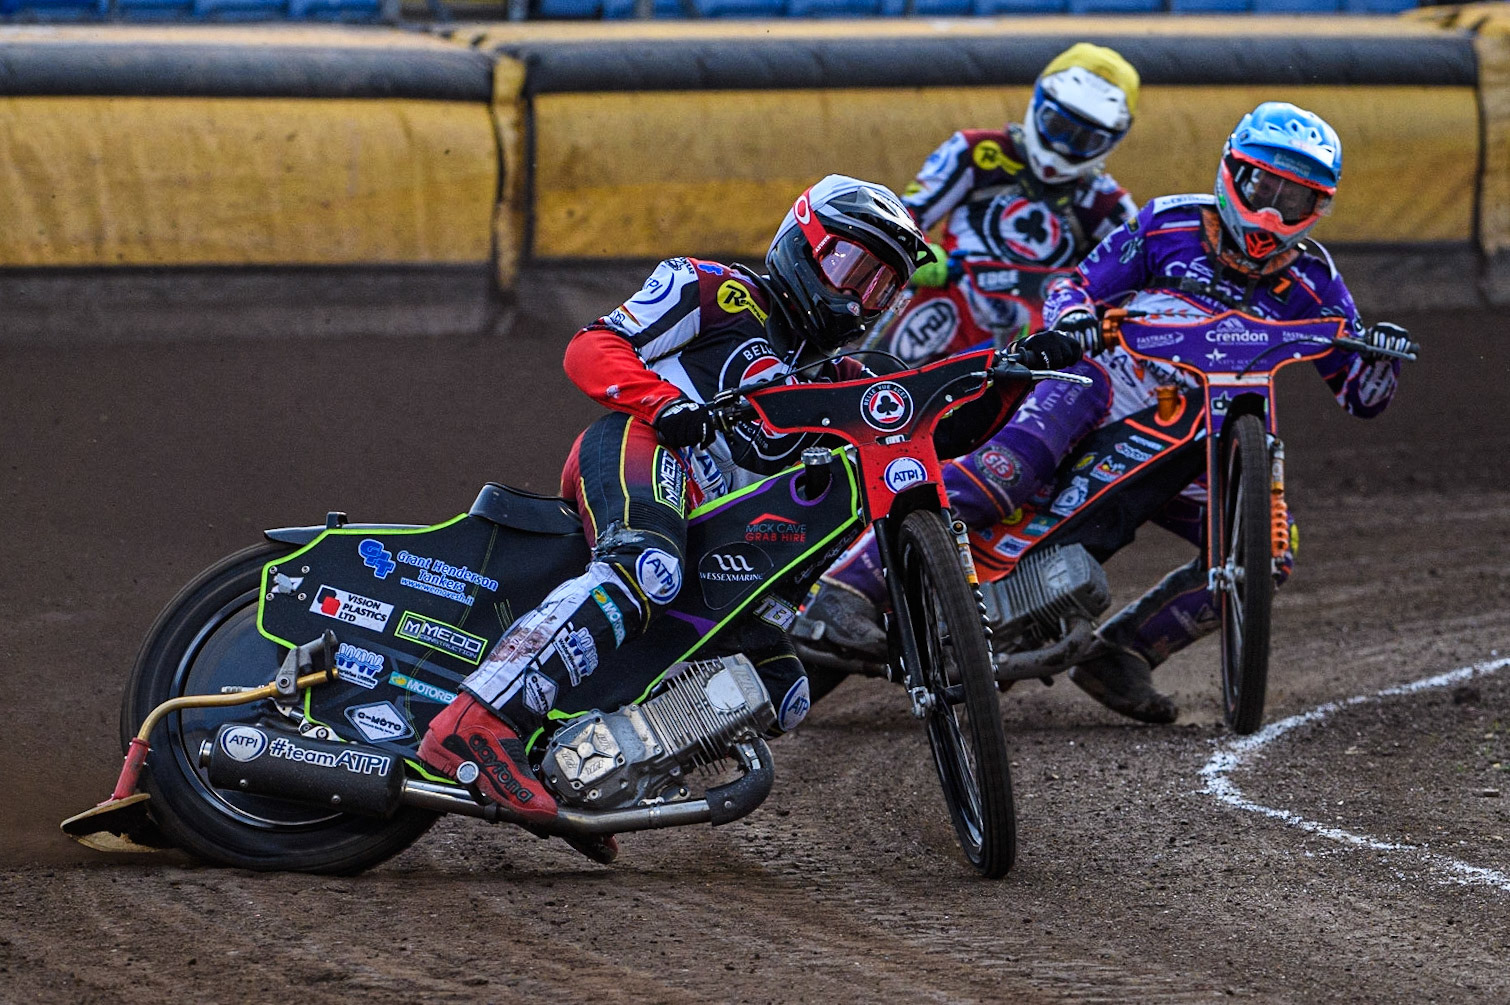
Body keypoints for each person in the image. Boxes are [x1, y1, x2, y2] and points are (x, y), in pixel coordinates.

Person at [413, 176, 1056, 861]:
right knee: (648, 566)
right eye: (849, 267)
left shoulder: (845, 374)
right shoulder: (715, 289)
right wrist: (664, 404)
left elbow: (942, 430)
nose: (857, 297)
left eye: (881, 286)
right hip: (641, 446)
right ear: (801, 241)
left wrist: (1022, 372)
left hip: (718, 538)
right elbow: (591, 346)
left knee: (784, 688)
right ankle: (476, 720)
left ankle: (588, 773)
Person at [799, 102, 1412, 724]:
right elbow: (1075, 284)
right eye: (1263, 187)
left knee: (1269, 554)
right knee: (1004, 474)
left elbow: (1361, 394)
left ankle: (1122, 653)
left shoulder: (1316, 278)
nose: (1273, 214)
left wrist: (1381, 358)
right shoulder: (1170, 223)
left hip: (1205, 436)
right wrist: (1076, 321)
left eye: (1296, 201)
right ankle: (848, 587)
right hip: (1104, 385)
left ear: (1320, 209)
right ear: (1233, 172)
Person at [880, 42, 1140, 364]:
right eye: (1058, 127)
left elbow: (1137, 274)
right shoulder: (979, 152)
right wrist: (917, 255)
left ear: (1109, 142)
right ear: (1039, 104)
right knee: (882, 374)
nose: (1062, 146)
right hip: (952, 298)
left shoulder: (1109, 205)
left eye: (1084, 140)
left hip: (1038, 330)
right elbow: (901, 215)